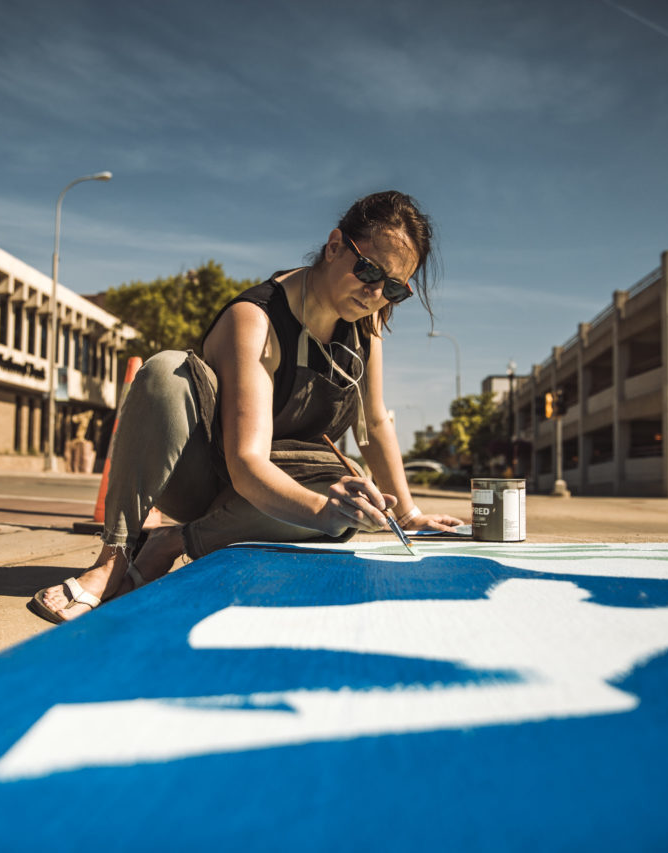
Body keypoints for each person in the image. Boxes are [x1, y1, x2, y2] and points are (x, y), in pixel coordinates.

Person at [31, 190, 463, 624]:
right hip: (212, 477)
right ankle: (115, 557)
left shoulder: (366, 330)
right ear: (334, 246)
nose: (375, 293)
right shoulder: (257, 318)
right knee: (167, 371)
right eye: (369, 270)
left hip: (274, 498)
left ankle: (173, 541)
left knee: (352, 505)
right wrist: (320, 511)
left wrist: (408, 515)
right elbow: (245, 462)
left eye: (393, 287)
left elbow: (374, 421)